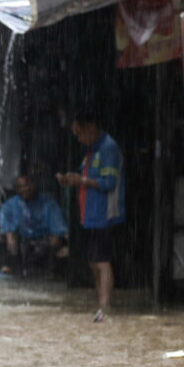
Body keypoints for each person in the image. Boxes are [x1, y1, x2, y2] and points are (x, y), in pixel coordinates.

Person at [57, 111, 125, 322]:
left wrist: (82, 181)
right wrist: (70, 180)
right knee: (94, 263)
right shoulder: (92, 151)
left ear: (90, 128)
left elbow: (108, 183)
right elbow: (85, 177)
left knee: (102, 262)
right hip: (90, 215)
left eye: (79, 134)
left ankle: (105, 306)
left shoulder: (108, 149)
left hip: (105, 214)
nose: (78, 138)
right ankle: (101, 306)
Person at [0, 174, 69, 278]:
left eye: (27, 185)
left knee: (56, 239)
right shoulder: (11, 204)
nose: (24, 189)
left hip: (44, 242)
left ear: (34, 185)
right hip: (22, 242)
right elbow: (2, 219)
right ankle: (11, 267)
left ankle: (51, 270)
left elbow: (59, 228)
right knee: (7, 236)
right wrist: (9, 234)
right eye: (20, 187)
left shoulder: (48, 204)